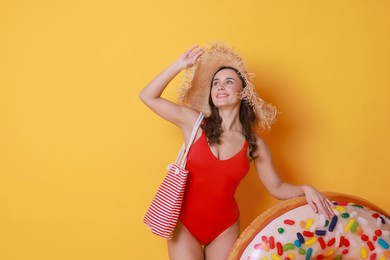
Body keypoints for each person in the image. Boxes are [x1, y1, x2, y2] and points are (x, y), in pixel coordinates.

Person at [139, 43, 334, 260]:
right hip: (184, 224)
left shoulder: (254, 145)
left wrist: (306, 189)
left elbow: (277, 187)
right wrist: (179, 64)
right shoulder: (194, 124)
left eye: (229, 82)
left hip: (224, 228)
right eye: (216, 83)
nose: (220, 87)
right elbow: (148, 96)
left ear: (243, 92)